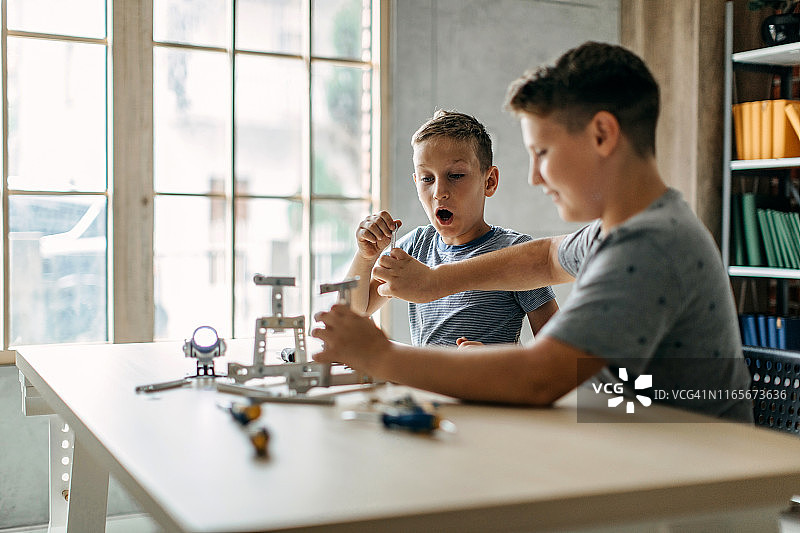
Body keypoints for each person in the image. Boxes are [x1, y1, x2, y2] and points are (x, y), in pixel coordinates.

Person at [312, 41, 753, 422]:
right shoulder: (622, 228)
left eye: (542, 152)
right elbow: (542, 259)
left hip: (688, 496)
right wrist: (434, 282)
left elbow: (540, 378)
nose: (535, 178)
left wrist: (380, 356)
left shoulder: (650, 245)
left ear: (602, 134)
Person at [346, 109, 558, 347]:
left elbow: (556, 353)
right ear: (416, 182)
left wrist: (498, 364)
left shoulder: (516, 251)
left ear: (489, 181)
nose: (439, 192)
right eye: (427, 178)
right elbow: (355, 312)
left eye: (455, 175)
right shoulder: (415, 246)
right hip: (424, 384)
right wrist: (365, 256)